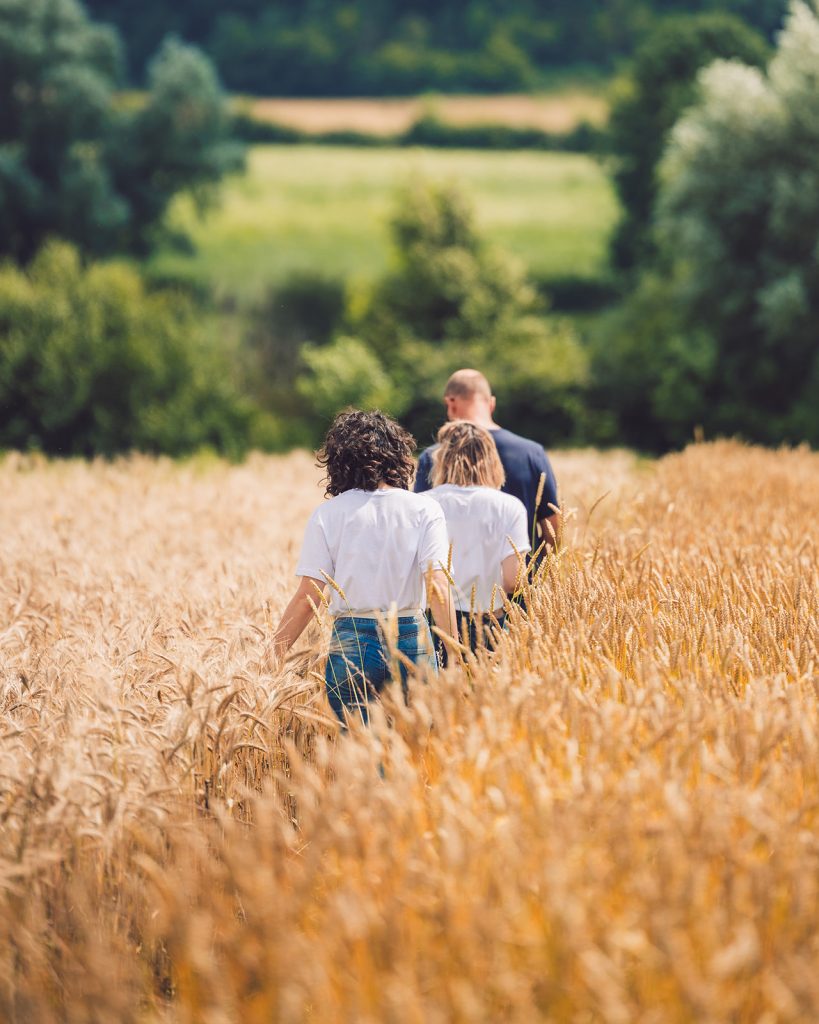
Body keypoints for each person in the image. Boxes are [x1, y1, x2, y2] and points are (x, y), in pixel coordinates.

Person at [269, 409, 457, 726]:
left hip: (352, 639)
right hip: (412, 635)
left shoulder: (328, 514)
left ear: (338, 462)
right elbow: (437, 584)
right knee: (418, 749)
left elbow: (309, 596)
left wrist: (272, 655)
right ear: (398, 456)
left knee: (357, 754)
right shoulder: (425, 508)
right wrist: (455, 652)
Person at [415, 369, 561, 555]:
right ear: (491, 403)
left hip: (454, 581)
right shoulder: (532, 453)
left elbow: (420, 525)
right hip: (522, 579)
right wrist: (537, 573)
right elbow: (553, 528)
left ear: (450, 403)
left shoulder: (434, 456)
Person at [427, 420, 530, 660]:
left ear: (442, 459)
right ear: (492, 460)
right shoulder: (509, 506)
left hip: (435, 623)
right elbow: (514, 580)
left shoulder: (424, 503)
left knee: (436, 696)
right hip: (488, 622)